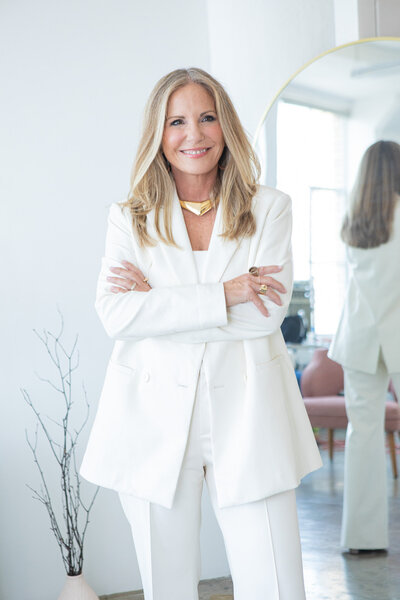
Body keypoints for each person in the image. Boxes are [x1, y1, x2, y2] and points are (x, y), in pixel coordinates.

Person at [80, 67, 322, 600]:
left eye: (207, 117)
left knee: (276, 586)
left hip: (252, 413)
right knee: (167, 587)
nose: (195, 134)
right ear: (158, 135)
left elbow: (264, 317)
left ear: (226, 125)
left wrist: (158, 305)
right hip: (150, 418)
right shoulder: (129, 218)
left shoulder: (269, 207)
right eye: (177, 122)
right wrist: (225, 293)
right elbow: (117, 317)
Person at [329, 140, 400, 553]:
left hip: (358, 338)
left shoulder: (354, 221)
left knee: (363, 437)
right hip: (394, 334)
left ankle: (362, 539)